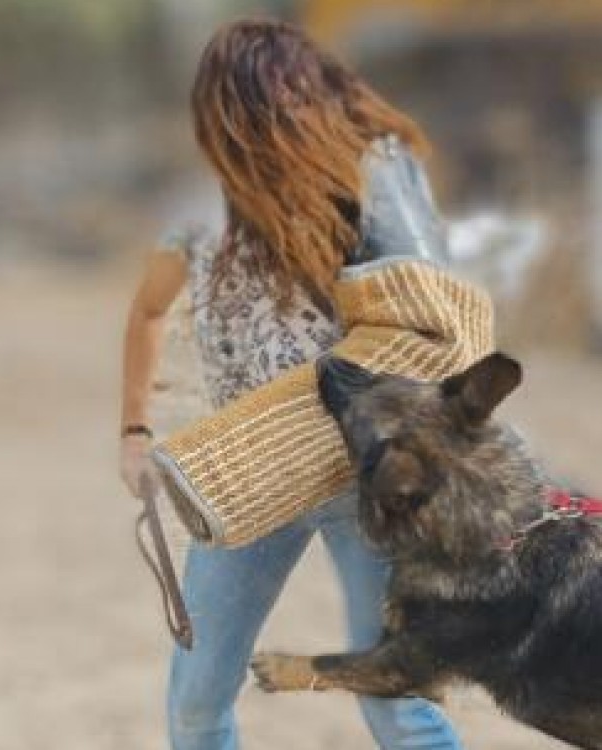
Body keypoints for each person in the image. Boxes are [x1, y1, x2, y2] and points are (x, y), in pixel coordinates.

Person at [119, 19, 464, 750]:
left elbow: (429, 318)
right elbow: (148, 310)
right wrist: (134, 432)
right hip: (249, 473)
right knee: (195, 704)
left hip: (364, 473)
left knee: (395, 706)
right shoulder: (201, 210)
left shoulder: (366, 184)